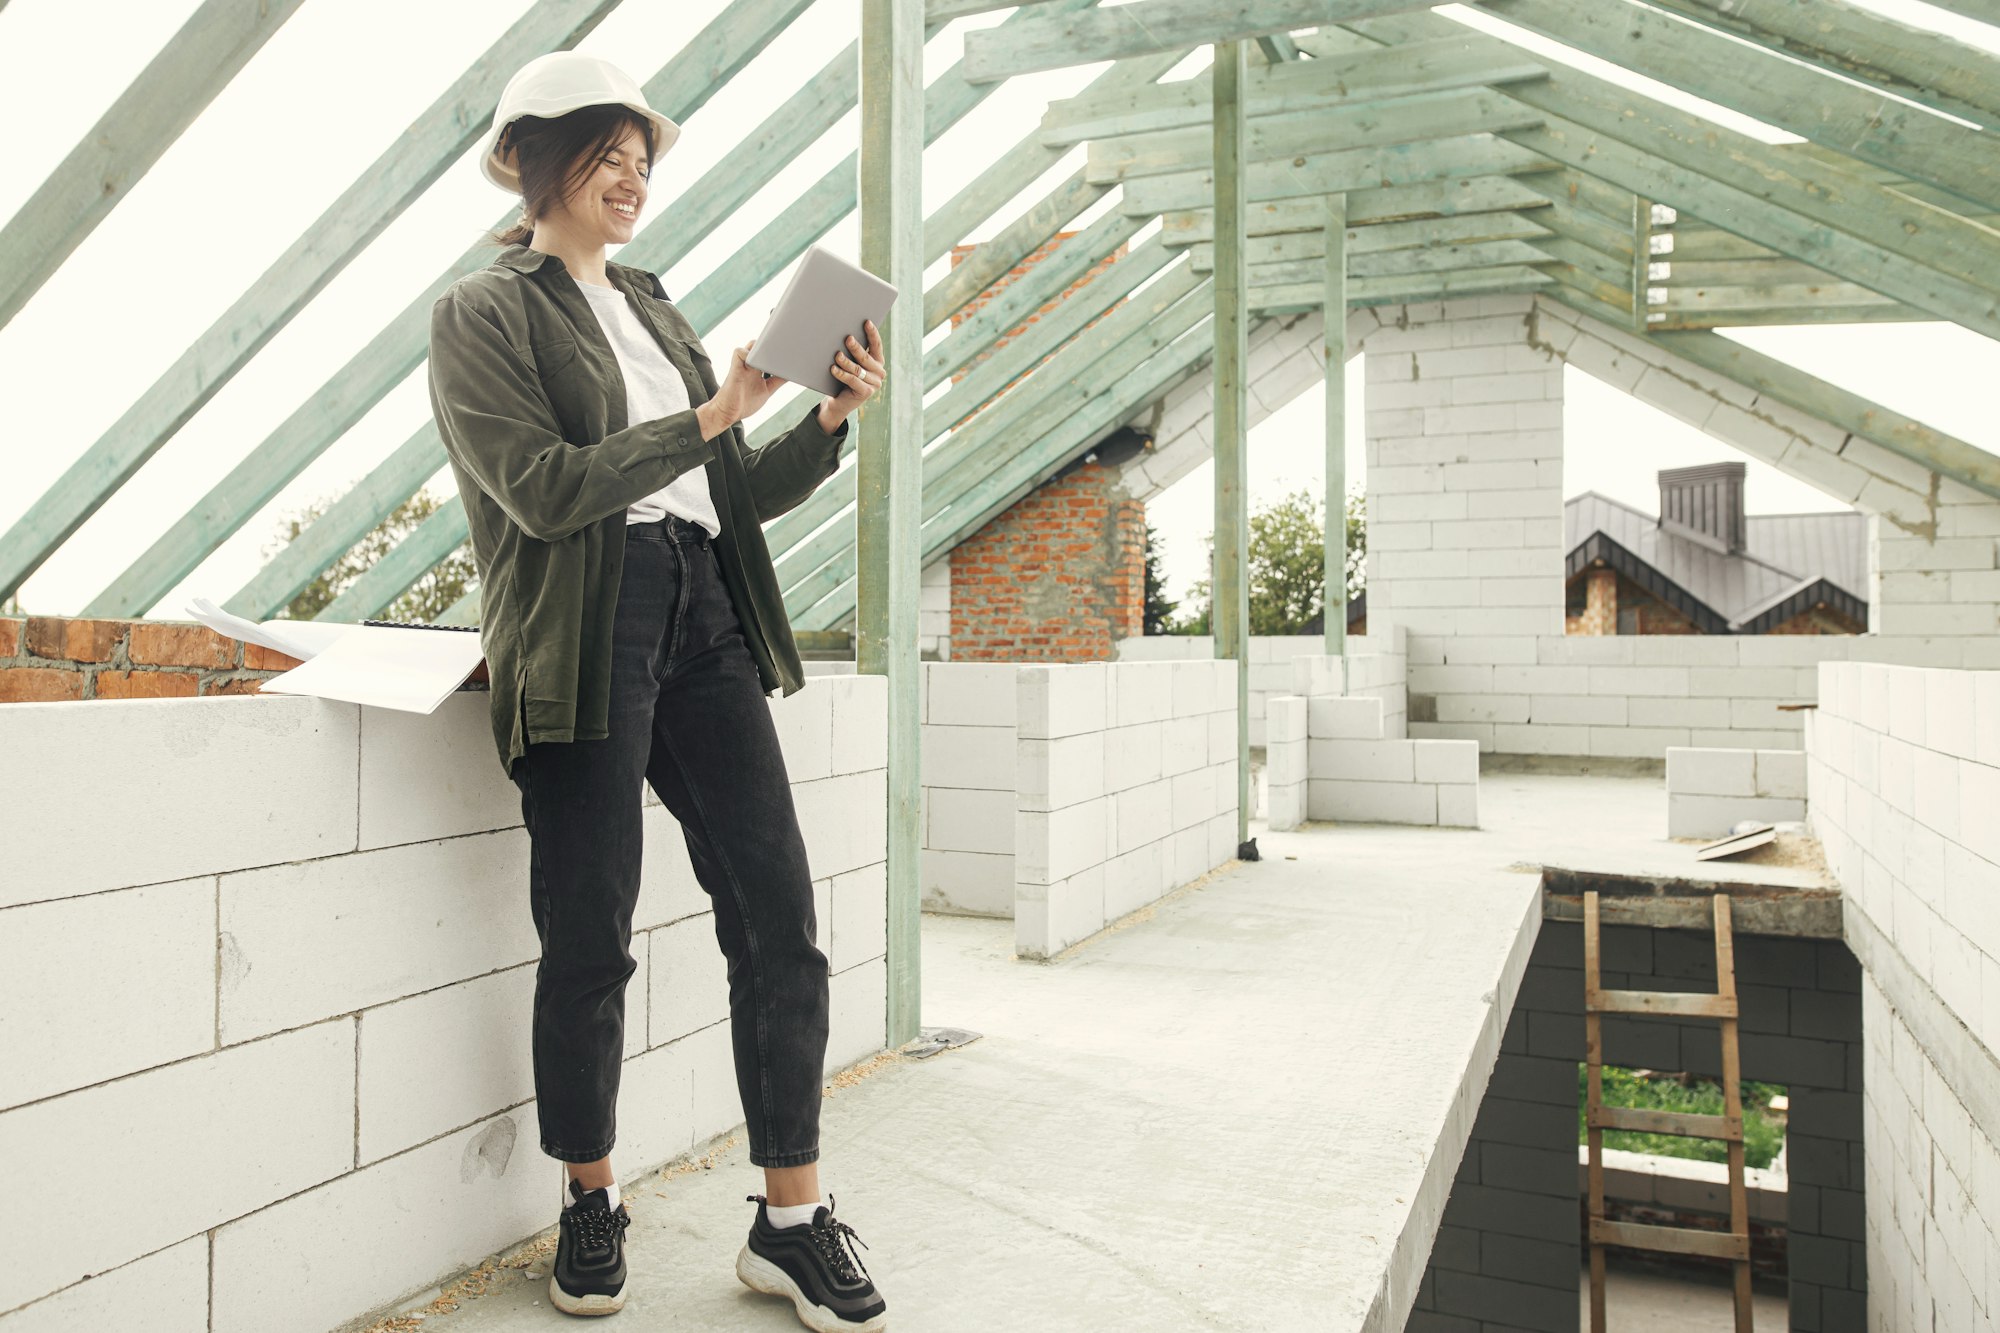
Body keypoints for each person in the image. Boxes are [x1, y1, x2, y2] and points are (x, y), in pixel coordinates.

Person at [425, 51, 889, 1331]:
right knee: (591, 929)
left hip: (703, 609)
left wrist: (824, 420)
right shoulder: (482, 310)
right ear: (538, 159)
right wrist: (709, 415)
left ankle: (789, 1217)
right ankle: (590, 1196)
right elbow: (543, 487)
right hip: (584, 621)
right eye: (608, 152)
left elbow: (720, 493)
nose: (634, 175)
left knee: (777, 908)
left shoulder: (652, 304)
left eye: (642, 156)